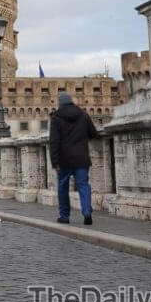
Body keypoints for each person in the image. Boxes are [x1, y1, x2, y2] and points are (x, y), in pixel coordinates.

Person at [49, 91, 99, 225]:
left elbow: (53, 142)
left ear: (60, 103)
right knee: (83, 185)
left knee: (63, 187)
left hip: (64, 160)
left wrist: (55, 162)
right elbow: (93, 133)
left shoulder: (56, 118)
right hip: (81, 157)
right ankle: (87, 212)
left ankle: (64, 216)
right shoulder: (83, 115)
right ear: (71, 102)